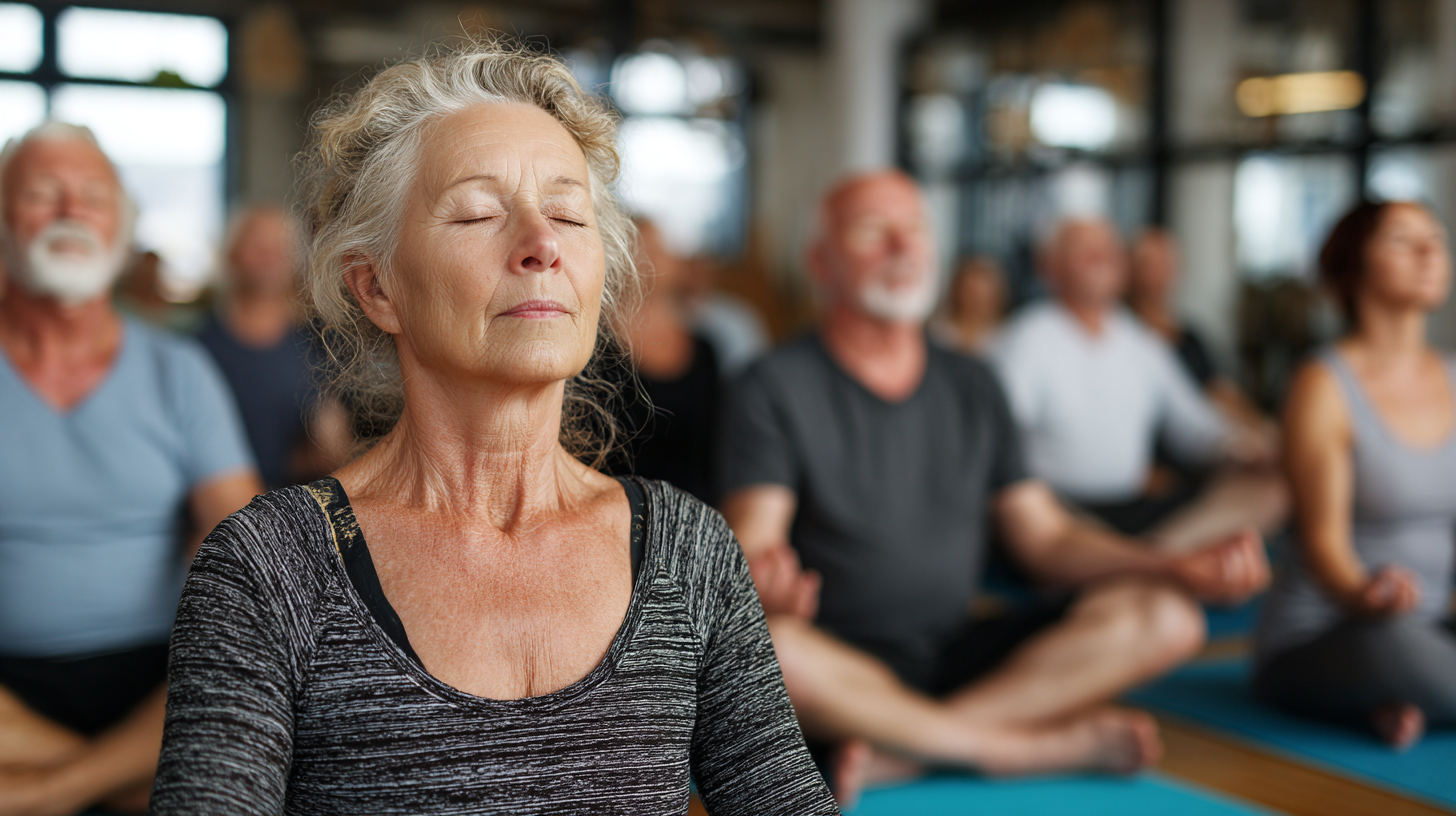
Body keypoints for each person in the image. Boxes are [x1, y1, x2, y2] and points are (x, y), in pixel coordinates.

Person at [150, 39, 838, 814]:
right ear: (377, 288)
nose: (543, 245)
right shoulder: (269, 568)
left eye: (569, 214)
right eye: (479, 213)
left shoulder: (690, 551)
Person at [718, 170, 1269, 803]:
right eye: (873, 231)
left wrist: (1172, 565)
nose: (902, 246)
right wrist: (768, 584)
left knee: (1167, 615)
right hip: (836, 660)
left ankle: (902, 754)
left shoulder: (973, 383)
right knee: (769, 651)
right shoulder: (771, 384)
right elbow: (755, 541)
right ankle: (1019, 747)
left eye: (915, 229)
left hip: (959, 649)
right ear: (822, 262)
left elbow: (1046, 538)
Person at [0, 121, 261, 814]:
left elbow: (243, 544)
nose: (70, 212)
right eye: (41, 194)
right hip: (7, 692)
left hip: (160, 674)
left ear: (120, 226)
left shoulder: (179, 371)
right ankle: (124, 784)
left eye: (93, 196)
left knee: (239, 680)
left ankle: (55, 791)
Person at [1256, 200, 1456, 749]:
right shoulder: (1322, 384)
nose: (1429, 251)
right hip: (1333, 631)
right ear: (1352, 269)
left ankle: (1401, 700)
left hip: (1428, 627)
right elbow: (1324, 547)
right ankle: (1402, 690)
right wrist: (1368, 596)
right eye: (1401, 240)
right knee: (1388, 641)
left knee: (1415, 644)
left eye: (1436, 239)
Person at [991, 219, 1286, 550]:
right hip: (1061, 511)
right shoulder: (1026, 340)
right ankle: (1146, 564)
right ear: (1050, 267)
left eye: (1109, 249)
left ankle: (1140, 562)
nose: (1102, 257)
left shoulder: (1142, 342)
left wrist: (1247, 450)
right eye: (1086, 251)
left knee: (1269, 491)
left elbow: (1194, 426)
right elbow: (998, 439)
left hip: (1135, 508)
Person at [197, 204, 351, 489]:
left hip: (294, 502)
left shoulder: (322, 345)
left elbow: (334, 450)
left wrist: (326, 451)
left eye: (281, 247)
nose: (269, 256)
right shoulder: (197, 351)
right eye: (257, 245)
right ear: (231, 254)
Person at [603, 218, 722, 503]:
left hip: (694, 508)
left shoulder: (705, 350)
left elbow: (715, 449)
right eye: (638, 249)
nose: (649, 259)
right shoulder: (596, 346)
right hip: (615, 505)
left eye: (658, 250)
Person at [932, 254, 1007, 356]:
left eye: (980, 294)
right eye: (970, 292)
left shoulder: (1005, 335)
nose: (974, 301)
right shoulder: (938, 331)